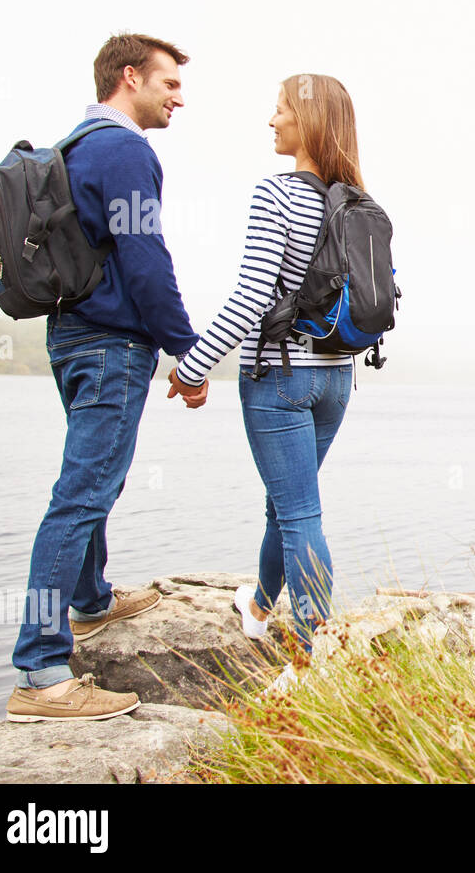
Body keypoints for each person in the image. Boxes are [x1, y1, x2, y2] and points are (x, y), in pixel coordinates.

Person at [7, 33, 208, 723]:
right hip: (110, 346)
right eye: (170, 83)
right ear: (130, 77)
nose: (180, 97)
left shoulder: (74, 145)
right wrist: (188, 348)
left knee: (86, 482)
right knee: (82, 493)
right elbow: (143, 252)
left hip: (68, 337)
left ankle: (89, 602)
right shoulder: (125, 150)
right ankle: (40, 669)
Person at [168, 74, 362, 655]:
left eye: (280, 111)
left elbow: (252, 295)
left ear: (309, 122)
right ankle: (257, 606)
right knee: (289, 503)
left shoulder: (277, 193)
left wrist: (193, 365)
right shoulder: (358, 203)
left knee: (300, 512)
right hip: (337, 377)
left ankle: (311, 652)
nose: (271, 121)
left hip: (279, 377)